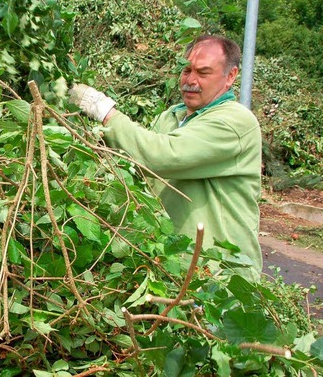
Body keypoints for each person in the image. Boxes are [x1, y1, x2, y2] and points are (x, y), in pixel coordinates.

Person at [69, 34, 263, 279]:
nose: (191, 80)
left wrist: (103, 110)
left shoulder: (235, 122)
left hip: (219, 275)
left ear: (231, 76)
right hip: (171, 262)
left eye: (203, 73)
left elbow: (159, 156)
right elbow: (138, 165)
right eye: (186, 70)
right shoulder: (172, 116)